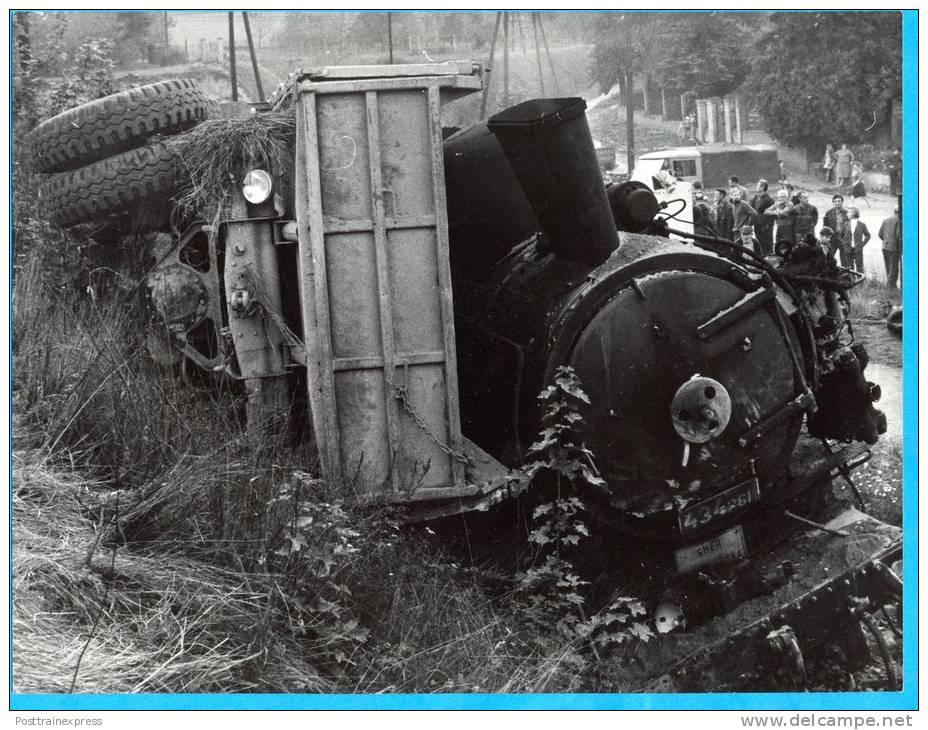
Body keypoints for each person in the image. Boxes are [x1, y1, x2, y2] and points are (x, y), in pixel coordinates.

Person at [750, 179, 775, 255]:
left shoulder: (769, 199)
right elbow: (751, 210)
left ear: (762, 187)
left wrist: (768, 226)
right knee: (759, 245)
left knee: (767, 247)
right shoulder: (756, 197)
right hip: (757, 226)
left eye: (757, 185)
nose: (756, 187)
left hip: (765, 228)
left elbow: (773, 215)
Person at [878, 207, 901, 288]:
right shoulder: (900, 221)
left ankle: (891, 286)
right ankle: (890, 286)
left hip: (885, 247)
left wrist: (886, 241)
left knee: (888, 267)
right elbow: (899, 236)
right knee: (894, 268)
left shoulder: (886, 220)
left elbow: (880, 234)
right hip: (894, 248)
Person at [823, 194, 850, 261]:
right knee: (829, 258)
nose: (837, 203)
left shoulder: (847, 213)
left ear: (842, 202)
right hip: (832, 239)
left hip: (843, 239)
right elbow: (825, 227)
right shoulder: (828, 213)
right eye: (835, 201)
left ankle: (844, 271)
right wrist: (825, 240)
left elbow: (849, 228)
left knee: (844, 260)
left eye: (839, 201)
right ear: (833, 203)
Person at [845, 207, 871, 272]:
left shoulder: (862, 225)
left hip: (858, 250)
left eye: (848, 212)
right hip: (848, 249)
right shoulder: (846, 224)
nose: (847, 214)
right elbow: (840, 235)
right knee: (850, 268)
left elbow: (868, 235)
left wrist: (862, 244)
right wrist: (844, 244)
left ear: (853, 213)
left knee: (859, 267)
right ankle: (852, 281)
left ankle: (860, 281)